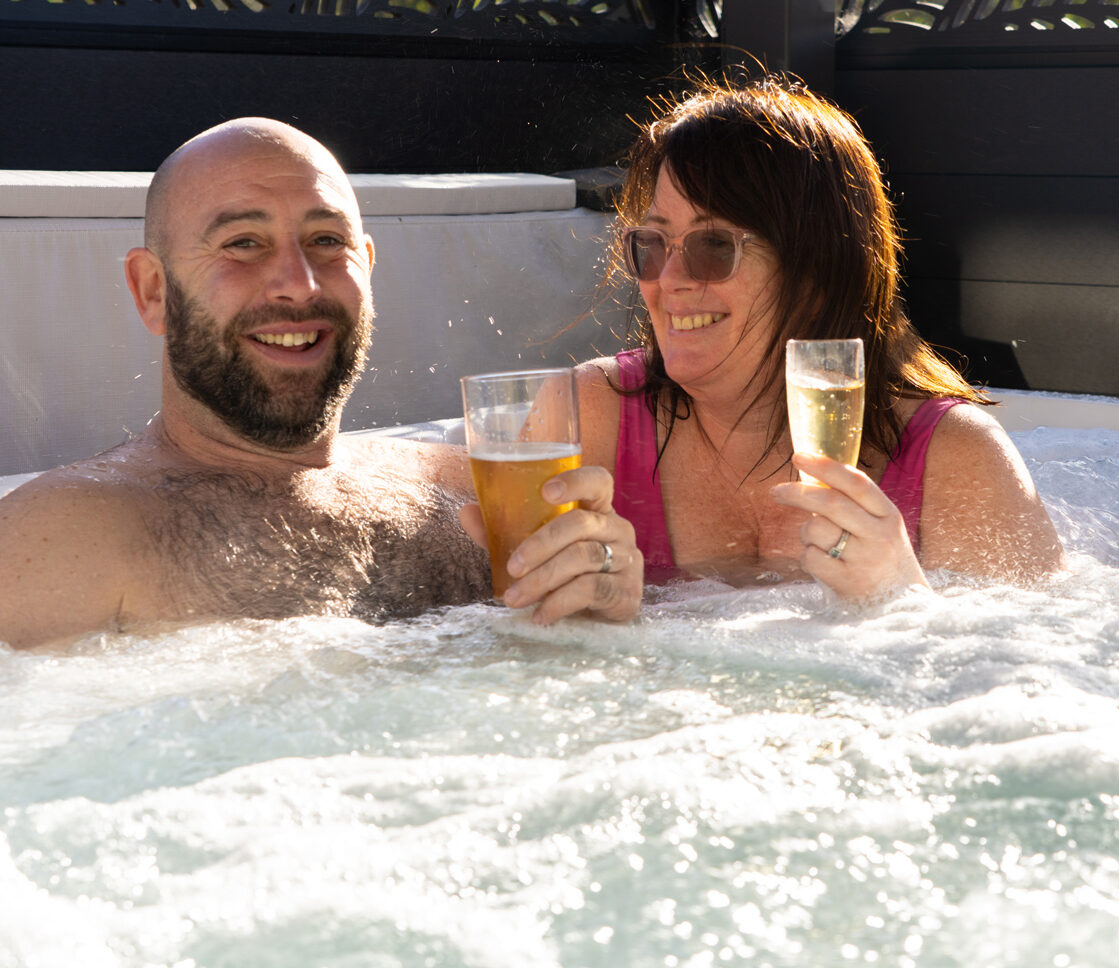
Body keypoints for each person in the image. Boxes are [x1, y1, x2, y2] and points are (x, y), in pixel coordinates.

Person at [0, 119, 642, 650]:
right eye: (243, 242)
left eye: (326, 241)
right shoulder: (62, 538)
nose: (299, 283)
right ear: (153, 291)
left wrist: (612, 611)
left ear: (366, 267)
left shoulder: (472, 493)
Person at [575, 75, 1063, 596]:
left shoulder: (956, 460)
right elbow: (479, 569)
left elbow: (1038, 661)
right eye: (651, 244)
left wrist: (903, 598)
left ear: (817, 274)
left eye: (713, 245)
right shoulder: (593, 414)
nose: (667, 279)